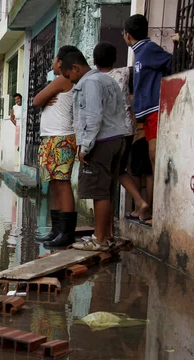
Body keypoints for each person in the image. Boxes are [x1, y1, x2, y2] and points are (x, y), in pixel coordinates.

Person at [61, 50, 126, 251]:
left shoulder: (89, 83)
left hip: (101, 141)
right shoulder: (108, 80)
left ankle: (99, 239)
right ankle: (106, 236)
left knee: (99, 192)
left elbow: (94, 117)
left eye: (69, 76)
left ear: (75, 68)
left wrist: (85, 147)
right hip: (117, 138)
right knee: (107, 190)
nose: (70, 82)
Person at [92, 42, 151, 223]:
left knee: (110, 174)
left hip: (109, 133)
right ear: (115, 59)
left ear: (94, 61)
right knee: (119, 169)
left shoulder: (94, 80)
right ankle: (139, 203)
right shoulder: (125, 73)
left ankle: (136, 205)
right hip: (128, 129)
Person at [123, 14, 172, 224]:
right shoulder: (140, 51)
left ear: (127, 35)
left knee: (154, 159)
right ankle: (147, 211)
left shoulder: (148, 49)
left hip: (154, 111)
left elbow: (170, 62)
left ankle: (153, 212)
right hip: (146, 114)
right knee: (148, 163)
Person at [32, 45, 80, 247]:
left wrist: (46, 96)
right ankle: (56, 230)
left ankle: (66, 233)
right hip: (51, 138)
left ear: (60, 62)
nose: (52, 63)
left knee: (62, 183)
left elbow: (36, 100)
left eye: (54, 60)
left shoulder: (62, 80)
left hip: (61, 137)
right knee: (53, 184)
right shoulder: (59, 81)